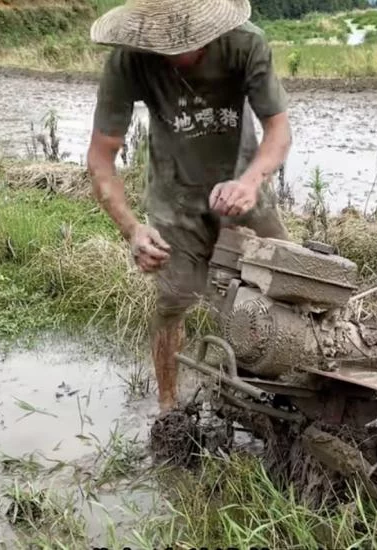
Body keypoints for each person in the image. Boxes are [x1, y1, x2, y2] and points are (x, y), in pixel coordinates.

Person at [85, 0, 293, 414]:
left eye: (190, 40)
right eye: (165, 43)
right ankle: (168, 408)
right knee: (172, 300)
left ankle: (290, 388)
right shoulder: (128, 62)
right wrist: (132, 230)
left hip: (242, 185)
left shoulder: (245, 44)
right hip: (175, 195)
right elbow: (101, 158)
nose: (179, 52)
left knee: (291, 283)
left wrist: (250, 183)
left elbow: (278, 129)